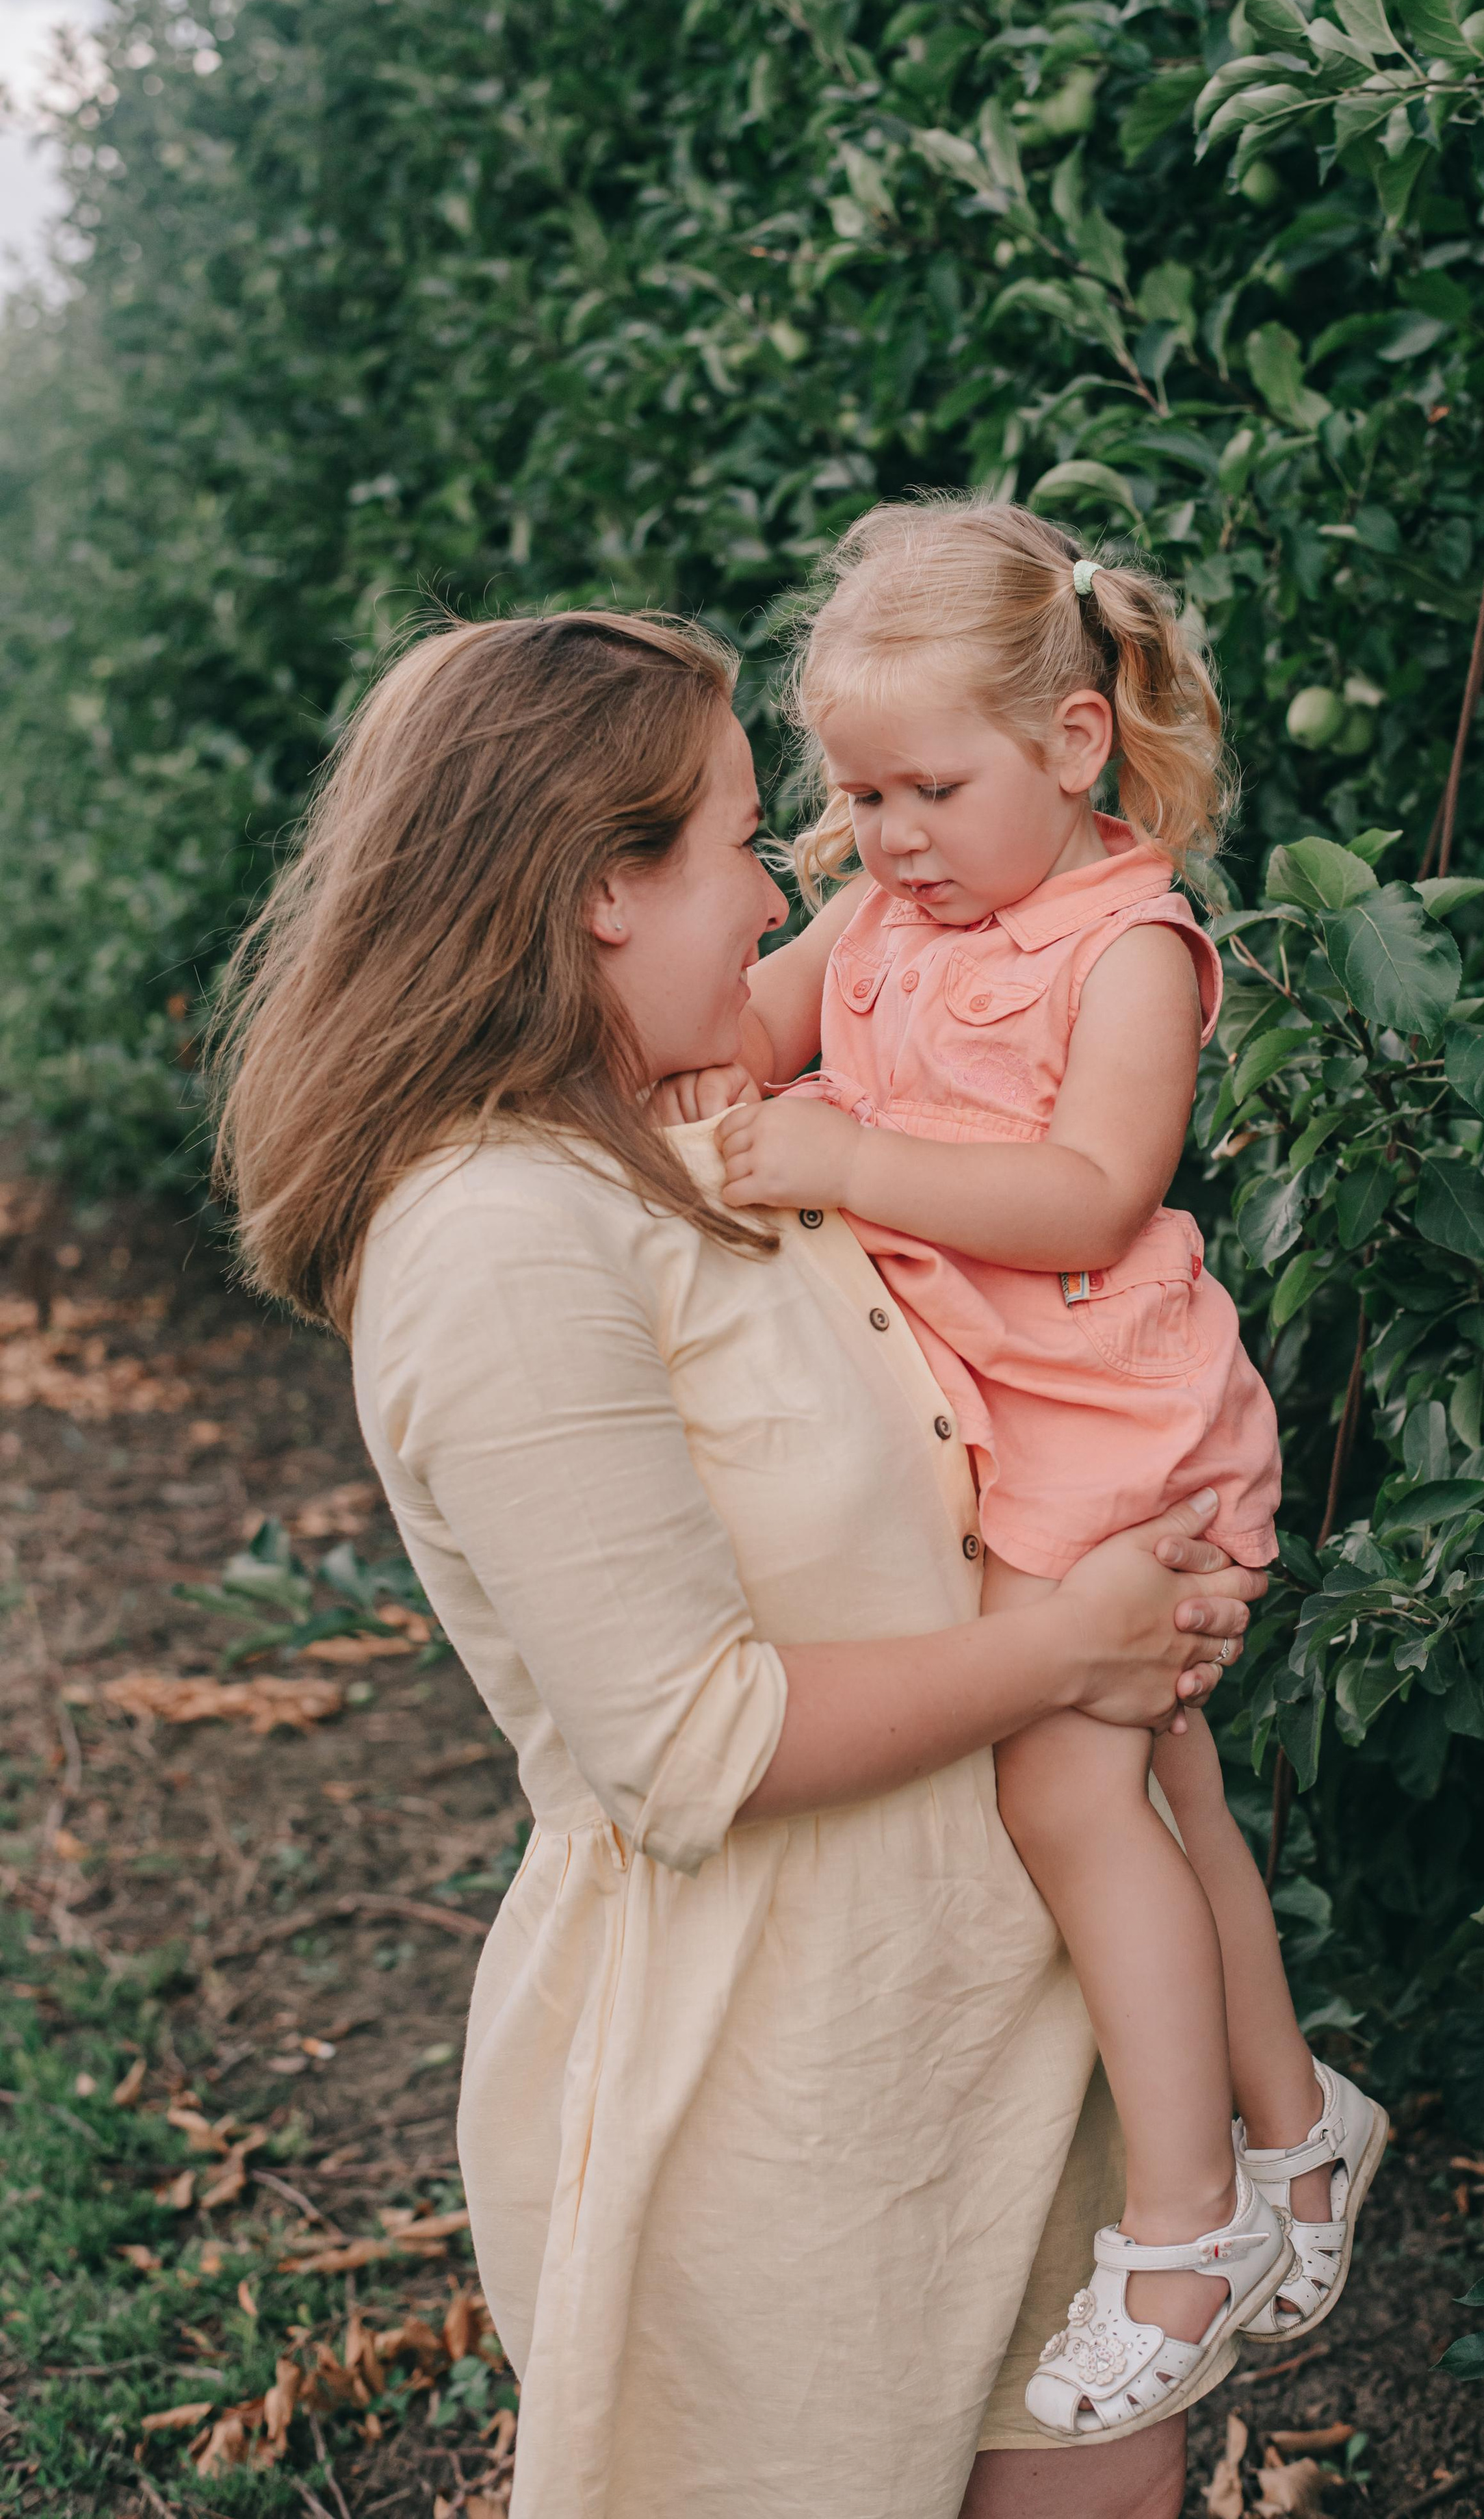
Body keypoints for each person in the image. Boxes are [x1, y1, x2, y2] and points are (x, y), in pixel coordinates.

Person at [209, 606, 1270, 2519]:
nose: (792, 874)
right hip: (775, 2107)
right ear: (602, 889)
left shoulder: (697, 1137)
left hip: (991, 2015)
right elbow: (689, 1737)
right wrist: (1073, 1649)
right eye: (727, 834)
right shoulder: (498, 1238)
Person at [673, 500, 1385, 2442]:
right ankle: (1300, 2125)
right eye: (857, 795)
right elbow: (733, 1025)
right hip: (993, 1431)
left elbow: (1097, 1185)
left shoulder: (1125, 938)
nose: (891, 836)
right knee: (1165, 1784)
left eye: (930, 787)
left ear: (1073, 743)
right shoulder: (887, 914)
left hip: (1108, 1430)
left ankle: (1181, 2232)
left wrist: (852, 1161)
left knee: (1069, 1789)